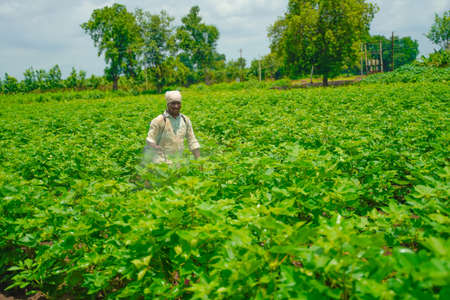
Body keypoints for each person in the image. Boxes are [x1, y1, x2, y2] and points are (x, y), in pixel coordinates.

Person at [144, 91, 200, 164]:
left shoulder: (185, 120)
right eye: (173, 103)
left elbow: (192, 141)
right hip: (161, 164)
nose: (176, 106)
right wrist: (155, 147)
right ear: (167, 104)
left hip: (179, 163)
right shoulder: (159, 120)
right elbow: (150, 140)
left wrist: (199, 161)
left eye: (178, 103)